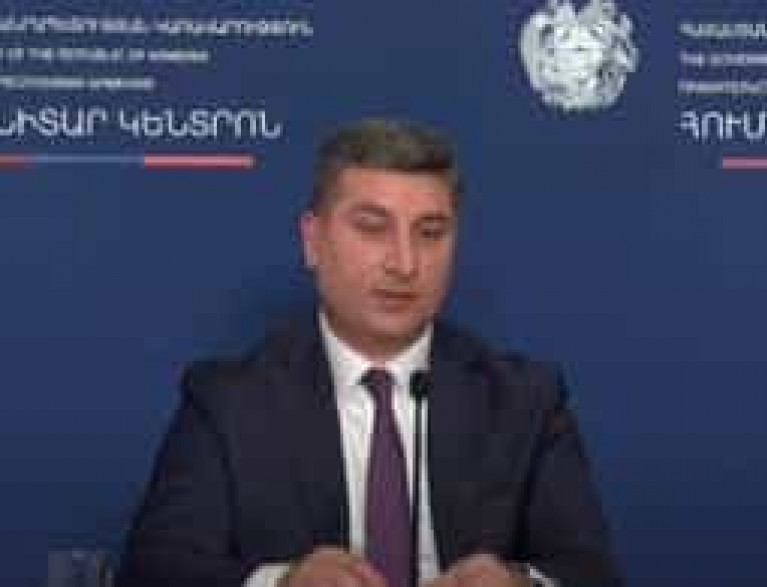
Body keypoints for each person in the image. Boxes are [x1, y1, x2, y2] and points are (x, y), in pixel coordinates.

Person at [117, 119, 621, 587]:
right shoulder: (229, 402)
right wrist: (282, 582)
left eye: (430, 233)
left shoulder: (525, 400)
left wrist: (519, 583)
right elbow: (154, 571)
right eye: (373, 227)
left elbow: (591, 572)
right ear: (313, 240)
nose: (404, 263)